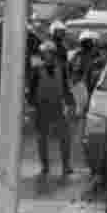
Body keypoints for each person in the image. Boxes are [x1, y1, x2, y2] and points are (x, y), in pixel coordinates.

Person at [28, 41, 74, 177]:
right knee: (42, 138)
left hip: (57, 106)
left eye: (50, 54)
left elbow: (66, 88)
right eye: (45, 54)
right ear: (42, 55)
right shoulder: (36, 70)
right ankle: (45, 166)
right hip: (41, 107)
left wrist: (70, 103)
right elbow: (31, 91)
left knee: (65, 136)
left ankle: (66, 166)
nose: (48, 56)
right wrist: (31, 107)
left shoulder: (61, 68)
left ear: (54, 55)